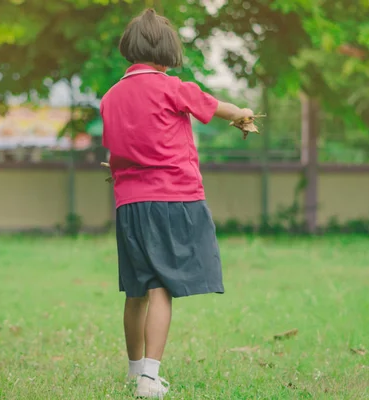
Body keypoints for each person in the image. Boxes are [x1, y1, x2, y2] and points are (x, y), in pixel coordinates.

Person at [100, 8, 254, 399]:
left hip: (129, 204)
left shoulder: (111, 97)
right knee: (161, 289)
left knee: (136, 289)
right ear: (168, 50)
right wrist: (242, 113)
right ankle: (151, 377)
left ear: (129, 49)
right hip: (172, 198)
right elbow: (213, 105)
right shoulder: (172, 87)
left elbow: (117, 150)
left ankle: (135, 373)